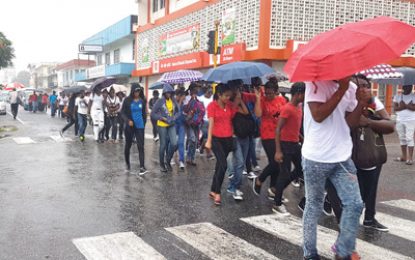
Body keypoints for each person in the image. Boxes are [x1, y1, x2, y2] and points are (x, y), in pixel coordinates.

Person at [301, 78, 370, 260]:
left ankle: (343, 250)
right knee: (314, 205)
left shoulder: (351, 86)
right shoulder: (314, 83)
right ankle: (310, 254)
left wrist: (361, 102)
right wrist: (342, 89)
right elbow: (318, 115)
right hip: (315, 157)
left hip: (341, 157)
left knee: (355, 204)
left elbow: (350, 123)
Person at [205, 83, 248, 206]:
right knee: (223, 164)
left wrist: (239, 100)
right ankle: (217, 193)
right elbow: (211, 124)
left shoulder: (229, 106)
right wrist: (208, 140)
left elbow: (245, 112)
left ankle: (213, 189)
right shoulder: (212, 106)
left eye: (230, 95)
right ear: (219, 95)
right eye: (226, 95)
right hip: (216, 139)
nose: (228, 98)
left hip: (228, 140)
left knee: (220, 165)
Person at [273, 82, 305, 215]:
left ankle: (279, 188)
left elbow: (294, 128)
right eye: (304, 94)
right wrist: (278, 150)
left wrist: (302, 139)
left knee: (300, 169)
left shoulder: (299, 107)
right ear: (298, 94)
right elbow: (278, 129)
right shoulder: (287, 108)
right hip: (285, 145)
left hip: (295, 144)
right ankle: (277, 203)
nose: (305, 96)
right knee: (284, 173)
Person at [252, 81, 287, 199]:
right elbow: (258, 114)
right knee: (275, 162)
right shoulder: (262, 100)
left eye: (271, 93)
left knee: (279, 162)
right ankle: (260, 179)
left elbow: (283, 114)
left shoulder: (282, 100)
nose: (268, 95)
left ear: (276, 91)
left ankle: (273, 187)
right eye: (266, 93)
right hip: (267, 135)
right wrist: (258, 98)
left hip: (280, 134)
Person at [151, 84, 179, 172]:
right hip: (162, 125)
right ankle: (162, 164)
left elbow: (179, 112)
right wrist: (161, 118)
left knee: (174, 143)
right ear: (163, 93)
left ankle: (167, 160)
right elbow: (152, 114)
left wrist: (174, 117)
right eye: (166, 92)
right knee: (163, 145)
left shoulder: (173, 100)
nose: (168, 94)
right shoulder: (160, 101)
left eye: (170, 92)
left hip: (171, 124)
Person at [121, 83, 148, 175]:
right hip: (130, 127)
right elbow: (122, 112)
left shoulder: (142, 100)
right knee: (128, 145)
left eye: (139, 91)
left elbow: (144, 114)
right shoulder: (127, 100)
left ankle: (142, 167)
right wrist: (128, 120)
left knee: (141, 146)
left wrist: (144, 122)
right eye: (136, 91)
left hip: (140, 126)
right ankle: (128, 164)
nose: (137, 92)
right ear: (132, 91)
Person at [183, 83, 205, 166]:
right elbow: (184, 110)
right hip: (188, 123)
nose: (198, 90)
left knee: (195, 141)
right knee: (192, 139)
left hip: (196, 123)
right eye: (197, 88)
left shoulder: (197, 98)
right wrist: (190, 104)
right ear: (192, 89)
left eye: (198, 88)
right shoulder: (187, 98)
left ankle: (192, 159)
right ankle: (189, 157)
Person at [393, 85, 415, 165]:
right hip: (400, 119)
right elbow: (395, 108)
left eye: (410, 86)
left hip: (411, 120)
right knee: (402, 137)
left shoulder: (413, 96)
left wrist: (403, 106)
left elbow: (414, 108)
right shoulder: (397, 96)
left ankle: (410, 158)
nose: (409, 88)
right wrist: (408, 106)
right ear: (403, 87)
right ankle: (404, 157)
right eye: (407, 86)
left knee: (409, 138)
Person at [198, 86, 214, 158]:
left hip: (212, 120)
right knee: (206, 136)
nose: (210, 94)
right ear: (205, 92)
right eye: (209, 92)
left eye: (211, 92)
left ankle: (202, 147)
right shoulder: (200, 99)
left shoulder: (213, 98)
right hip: (203, 120)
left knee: (209, 136)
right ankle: (208, 153)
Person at [175, 89, 187, 169]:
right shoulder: (172, 103)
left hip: (182, 125)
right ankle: (170, 157)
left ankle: (181, 161)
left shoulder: (184, 105)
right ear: (179, 96)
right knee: (172, 143)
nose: (184, 98)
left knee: (181, 143)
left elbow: (185, 115)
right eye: (183, 96)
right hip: (173, 125)